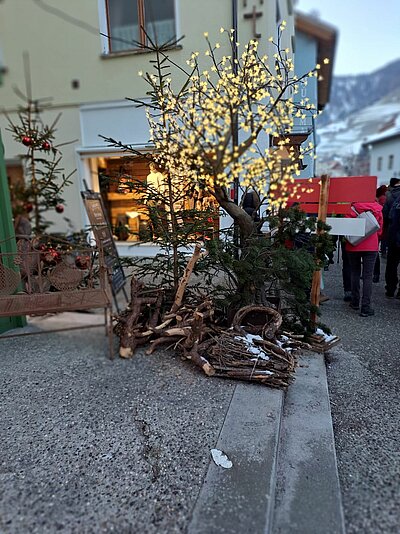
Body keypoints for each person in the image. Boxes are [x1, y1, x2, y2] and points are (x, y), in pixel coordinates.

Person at [345, 200, 383, 317]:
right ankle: (365, 307)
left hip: (353, 244)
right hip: (371, 245)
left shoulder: (350, 208)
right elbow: (380, 229)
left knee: (355, 273)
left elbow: (345, 227)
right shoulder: (377, 208)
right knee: (368, 276)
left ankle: (355, 301)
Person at [384, 180, 400, 298]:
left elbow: (385, 214)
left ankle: (390, 288)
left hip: (393, 233)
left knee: (391, 263)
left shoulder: (389, 195)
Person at [373, 185, 388, 281]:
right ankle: (375, 274)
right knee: (374, 252)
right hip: (378, 229)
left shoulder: (380, 199)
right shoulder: (382, 199)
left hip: (375, 230)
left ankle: (375, 274)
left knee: (373, 253)